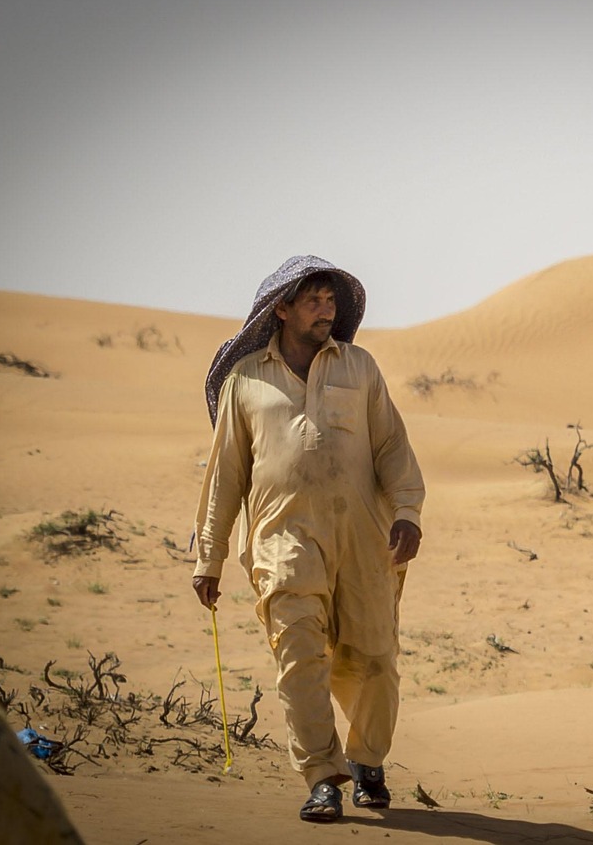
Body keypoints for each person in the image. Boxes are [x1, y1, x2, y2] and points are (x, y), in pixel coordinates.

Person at [192, 255, 425, 823]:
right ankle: (321, 777)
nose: (327, 309)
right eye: (315, 299)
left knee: (372, 661)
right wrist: (210, 557)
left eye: (331, 300)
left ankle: (367, 759)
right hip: (283, 539)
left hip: (364, 539)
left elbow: (392, 445)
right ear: (282, 308)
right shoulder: (246, 380)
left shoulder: (361, 367)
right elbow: (227, 474)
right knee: (298, 656)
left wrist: (408, 511)